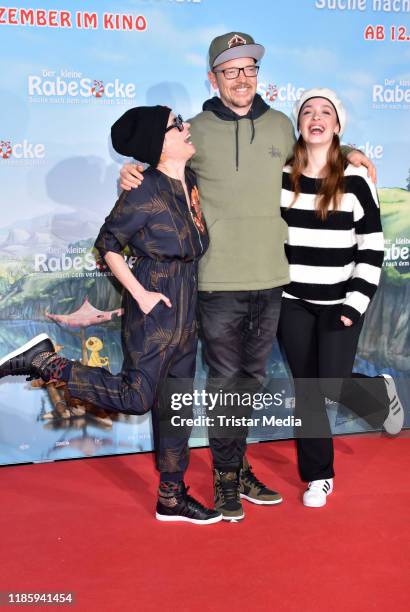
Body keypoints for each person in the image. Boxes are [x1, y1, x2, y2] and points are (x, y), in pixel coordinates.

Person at [118, 32, 377, 521]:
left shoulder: (281, 125)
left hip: (274, 280)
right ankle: (225, 476)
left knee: (250, 383)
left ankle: (235, 468)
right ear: (212, 77)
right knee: (225, 384)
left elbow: (318, 147)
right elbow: (161, 166)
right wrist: (130, 172)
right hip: (217, 283)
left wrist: (354, 152)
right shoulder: (192, 130)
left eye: (250, 68)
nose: (242, 78)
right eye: (231, 70)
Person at [0, 105, 222, 526]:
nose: (186, 127)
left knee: (176, 407)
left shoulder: (188, 180)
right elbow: (108, 243)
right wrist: (139, 294)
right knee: (137, 398)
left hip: (187, 309)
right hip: (155, 309)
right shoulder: (141, 190)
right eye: (178, 125)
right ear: (160, 143)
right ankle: (47, 362)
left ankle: (171, 498)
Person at [278, 88, 404, 508]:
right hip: (291, 301)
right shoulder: (280, 176)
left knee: (329, 384)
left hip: (341, 303)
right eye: (308, 111)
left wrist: (355, 304)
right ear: (299, 123)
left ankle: (377, 393)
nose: (316, 117)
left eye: (325, 112)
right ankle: (319, 476)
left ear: (337, 125)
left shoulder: (355, 181)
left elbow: (371, 248)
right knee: (309, 389)